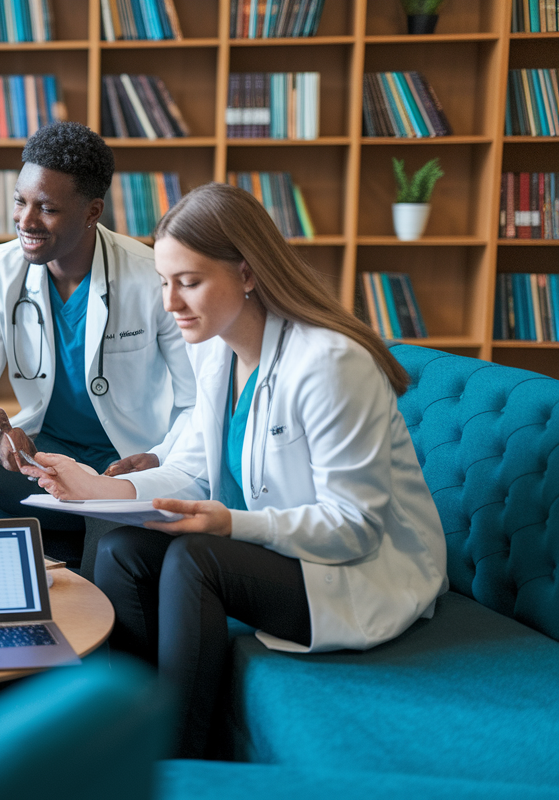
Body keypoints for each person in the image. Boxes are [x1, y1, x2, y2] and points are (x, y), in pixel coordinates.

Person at [23, 182, 448, 758]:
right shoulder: (216, 350)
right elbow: (193, 471)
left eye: (190, 283)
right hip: (282, 548)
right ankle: (122, 740)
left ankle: (181, 759)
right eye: (165, 283)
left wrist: (229, 524)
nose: (171, 304)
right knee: (121, 546)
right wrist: (102, 488)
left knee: (196, 560)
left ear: (248, 274)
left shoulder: (330, 364)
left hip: (361, 569)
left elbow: (355, 528)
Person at [0, 121, 195, 533]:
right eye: (20, 201)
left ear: (92, 211)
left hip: (121, 464)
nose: (25, 221)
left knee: (105, 550)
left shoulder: (150, 275)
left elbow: (198, 400)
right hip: (45, 457)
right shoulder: (0, 268)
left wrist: (161, 456)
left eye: (47, 208)